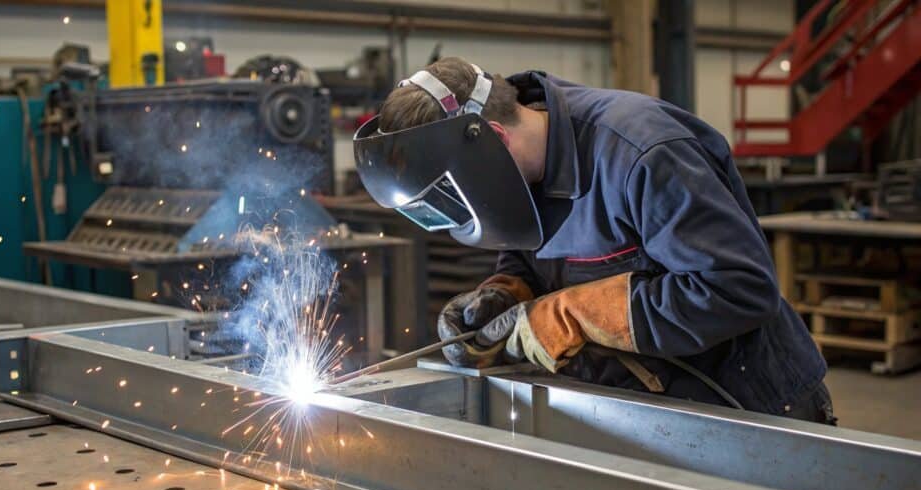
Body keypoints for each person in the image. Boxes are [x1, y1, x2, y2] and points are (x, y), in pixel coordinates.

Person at [352, 57, 835, 423]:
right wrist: (506, 291)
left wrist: (574, 314)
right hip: (635, 406)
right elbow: (528, 252)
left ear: (493, 138)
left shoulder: (643, 152)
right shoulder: (516, 174)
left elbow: (738, 289)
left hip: (745, 406)